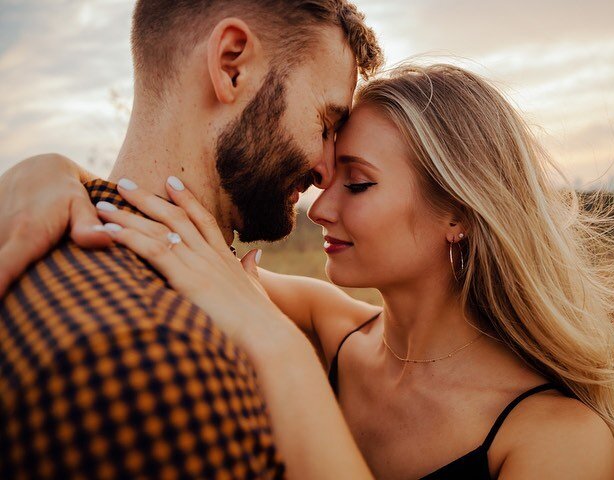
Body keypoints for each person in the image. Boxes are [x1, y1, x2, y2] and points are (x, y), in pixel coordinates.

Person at [6, 63, 614, 479]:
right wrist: (54, 172)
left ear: (459, 214)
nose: (320, 209)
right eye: (326, 178)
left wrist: (282, 355)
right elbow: (169, 244)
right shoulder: (324, 323)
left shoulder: (556, 437)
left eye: (359, 183)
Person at [0, 0, 384, 478]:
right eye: (325, 125)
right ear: (231, 65)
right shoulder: (158, 359)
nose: (325, 172)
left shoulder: (44, 246)